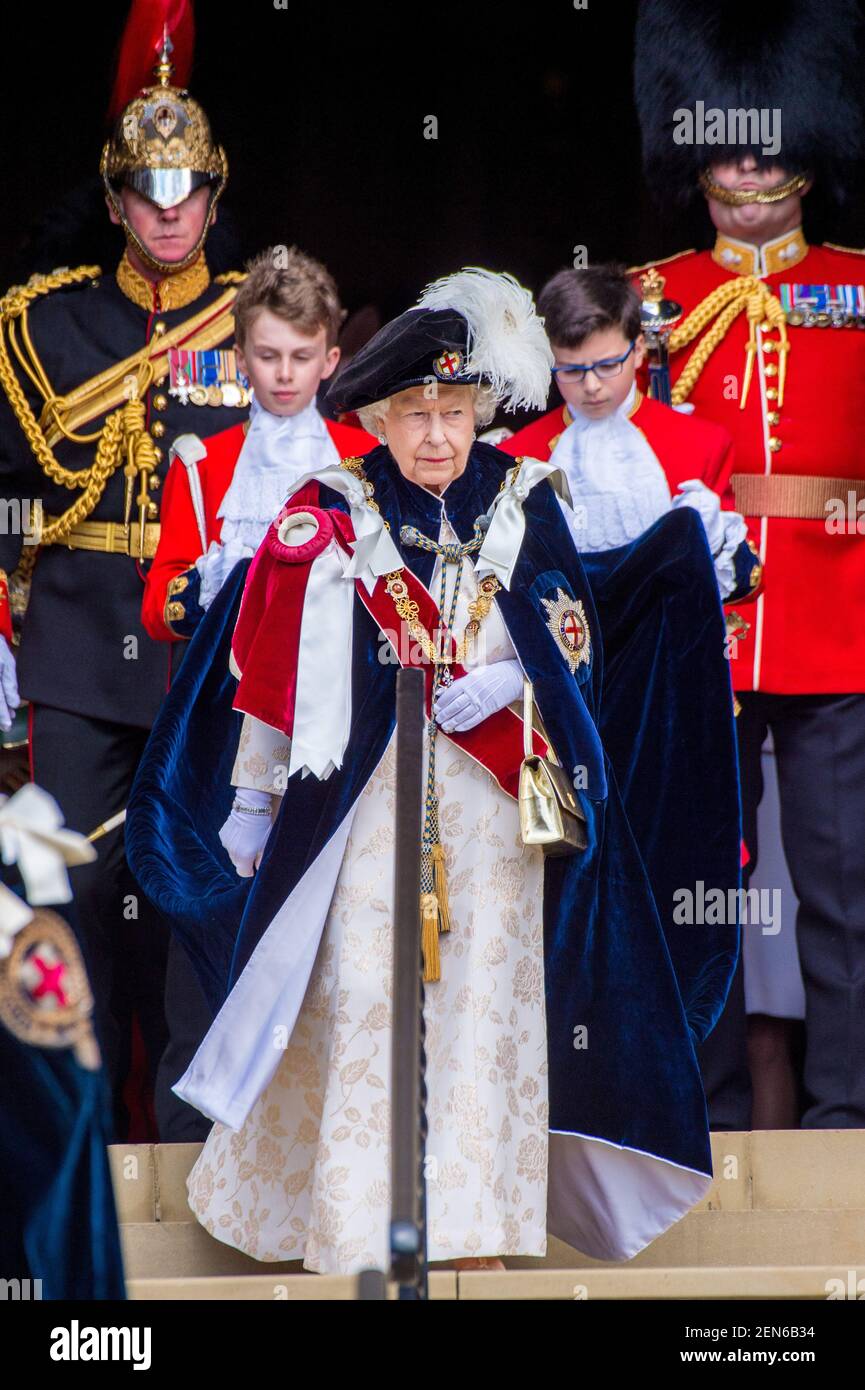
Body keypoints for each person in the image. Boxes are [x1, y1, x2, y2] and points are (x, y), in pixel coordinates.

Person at [128, 267, 742, 1273]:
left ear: (478, 410)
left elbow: (570, 640)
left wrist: (514, 688)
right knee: (365, 996)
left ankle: (472, 1230)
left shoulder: (526, 500)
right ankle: (361, 1222)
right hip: (366, 803)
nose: (436, 437)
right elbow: (285, 662)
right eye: (415, 414)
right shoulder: (333, 507)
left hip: (495, 809)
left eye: (453, 412)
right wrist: (250, 795)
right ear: (377, 414)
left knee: (485, 1010)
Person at [0, 12, 246, 1140]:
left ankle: (194, 1150)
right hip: (80, 648)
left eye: (185, 189)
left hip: (201, 652)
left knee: (190, 895)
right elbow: (11, 491)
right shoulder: (44, 324)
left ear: (210, 194)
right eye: (145, 190)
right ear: (114, 201)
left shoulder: (257, 322)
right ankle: (82, 1152)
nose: (166, 209)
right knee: (82, 897)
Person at [634, 0, 865, 1129]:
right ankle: (706, 1115)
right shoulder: (653, 298)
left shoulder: (859, 288)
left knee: (844, 895)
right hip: (703, 629)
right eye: (723, 145)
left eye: (767, 146)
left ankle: (847, 1119)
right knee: (697, 890)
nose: (745, 165)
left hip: (840, 616)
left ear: (808, 160)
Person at [142, 247, 375, 643]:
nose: (285, 374)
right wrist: (203, 585)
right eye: (268, 356)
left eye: (302, 357)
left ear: (330, 360)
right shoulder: (201, 463)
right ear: (242, 360)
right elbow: (154, 613)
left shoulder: (369, 453)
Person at [502, 265, 760, 603]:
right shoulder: (516, 454)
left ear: (638, 349)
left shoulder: (701, 445)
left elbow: (745, 586)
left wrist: (714, 543)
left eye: (608, 366)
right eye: (571, 370)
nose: (591, 386)